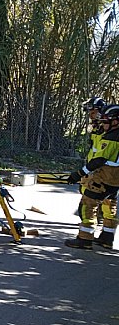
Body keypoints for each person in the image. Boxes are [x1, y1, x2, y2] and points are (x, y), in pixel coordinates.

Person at [66, 104, 119, 249]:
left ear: (116, 121)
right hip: (115, 181)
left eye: (106, 121)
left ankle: (84, 239)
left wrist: (79, 174)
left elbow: (99, 160)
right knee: (110, 206)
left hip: (104, 178)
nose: (103, 124)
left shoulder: (113, 137)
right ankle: (107, 238)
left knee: (87, 205)